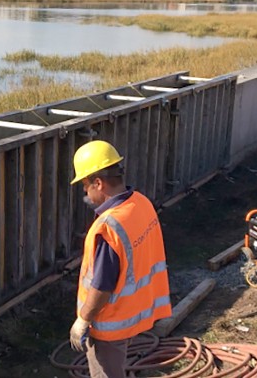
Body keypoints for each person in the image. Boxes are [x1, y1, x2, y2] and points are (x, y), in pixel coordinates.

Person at [68, 140, 171, 378]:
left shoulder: (108, 228)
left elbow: (102, 285)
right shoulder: (141, 203)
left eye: (85, 185)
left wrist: (83, 320)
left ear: (98, 183)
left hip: (110, 325)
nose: (85, 192)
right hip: (136, 311)